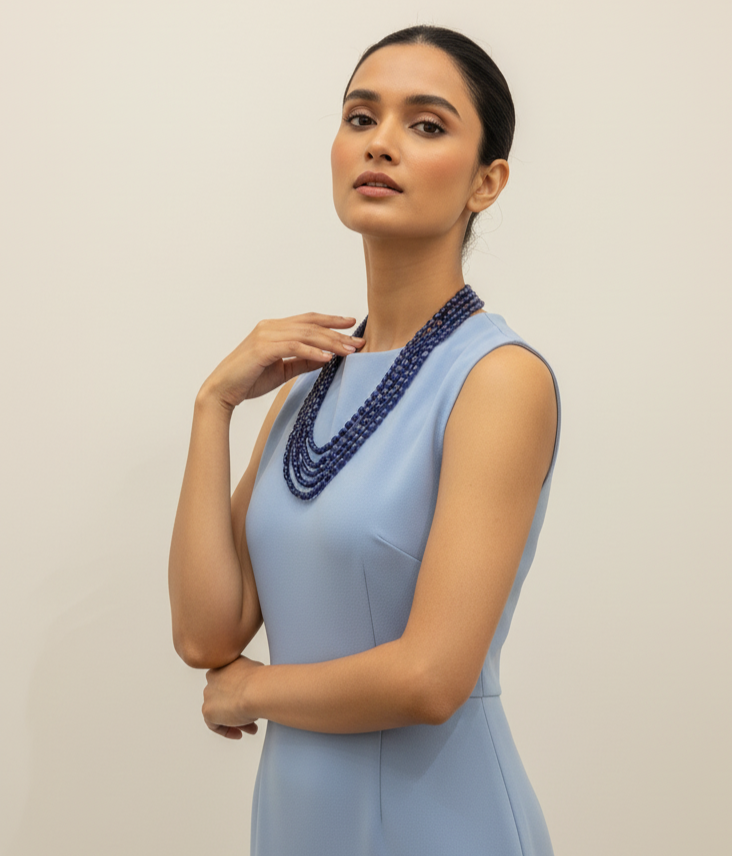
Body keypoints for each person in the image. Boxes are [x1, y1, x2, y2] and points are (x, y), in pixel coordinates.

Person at [169, 24, 561, 856]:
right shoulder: (306, 383)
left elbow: (430, 679)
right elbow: (207, 636)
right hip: (297, 822)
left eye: (426, 125)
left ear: (487, 181)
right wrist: (213, 407)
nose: (381, 143)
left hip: (440, 822)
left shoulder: (496, 379)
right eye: (360, 118)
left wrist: (251, 694)